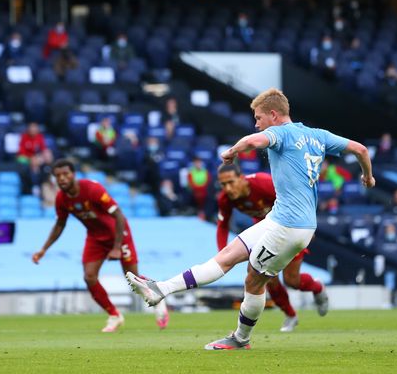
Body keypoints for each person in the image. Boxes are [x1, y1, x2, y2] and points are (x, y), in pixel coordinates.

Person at [127, 88, 375, 350]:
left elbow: (253, 142)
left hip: (290, 226)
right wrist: (367, 177)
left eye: (258, 118)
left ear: (273, 114)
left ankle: (241, 338)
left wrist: (232, 152)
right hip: (279, 218)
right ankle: (161, 289)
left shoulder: (280, 133)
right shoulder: (318, 135)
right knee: (227, 256)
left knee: (254, 280)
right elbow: (360, 149)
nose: (257, 124)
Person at [32, 159, 169, 332]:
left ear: (73, 174)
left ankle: (158, 296)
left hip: (119, 234)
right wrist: (44, 249)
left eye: (65, 174)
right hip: (95, 238)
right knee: (89, 277)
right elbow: (60, 224)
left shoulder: (92, 189)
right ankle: (114, 315)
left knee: (132, 277)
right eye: (58, 176)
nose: (62, 179)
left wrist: (117, 247)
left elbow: (119, 216)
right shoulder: (61, 199)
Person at [216, 163, 329, 333]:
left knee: (292, 281)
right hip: (265, 236)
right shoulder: (225, 198)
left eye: (231, 182)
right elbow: (222, 226)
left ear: (241, 178)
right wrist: (223, 254)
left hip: (290, 229)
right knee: (267, 279)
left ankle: (317, 288)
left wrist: (307, 225)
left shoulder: (263, 184)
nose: (228, 188)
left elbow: (298, 198)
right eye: (223, 185)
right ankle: (291, 315)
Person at [17, 122, 54, 195]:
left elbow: (43, 149)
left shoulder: (40, 137)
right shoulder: (24, 137)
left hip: (37, 158)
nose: (33, 130)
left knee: (47, 153)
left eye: (35, 128)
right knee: (30, 161)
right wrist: (31, 158)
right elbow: (21, 153)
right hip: (25, 158)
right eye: (32, 128)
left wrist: (42, 156)